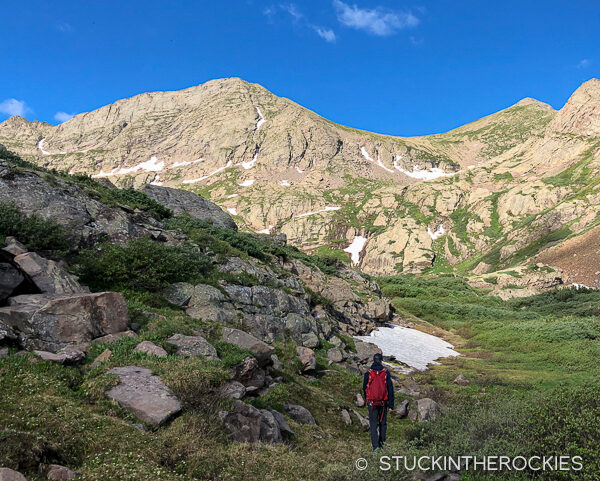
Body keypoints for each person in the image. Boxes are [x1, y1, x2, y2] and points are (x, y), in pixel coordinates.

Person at [363, 353, 394, 453]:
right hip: (383, 403)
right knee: (383, 424)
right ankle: (382, 444)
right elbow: (390, 389)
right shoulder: (385, 372)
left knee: (373, 425)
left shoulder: (368, 373)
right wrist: (391, 405)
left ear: (373, 360)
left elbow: (365, 388)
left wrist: (367, 400)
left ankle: (375, 448)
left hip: (372, 403)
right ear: (381, 361)